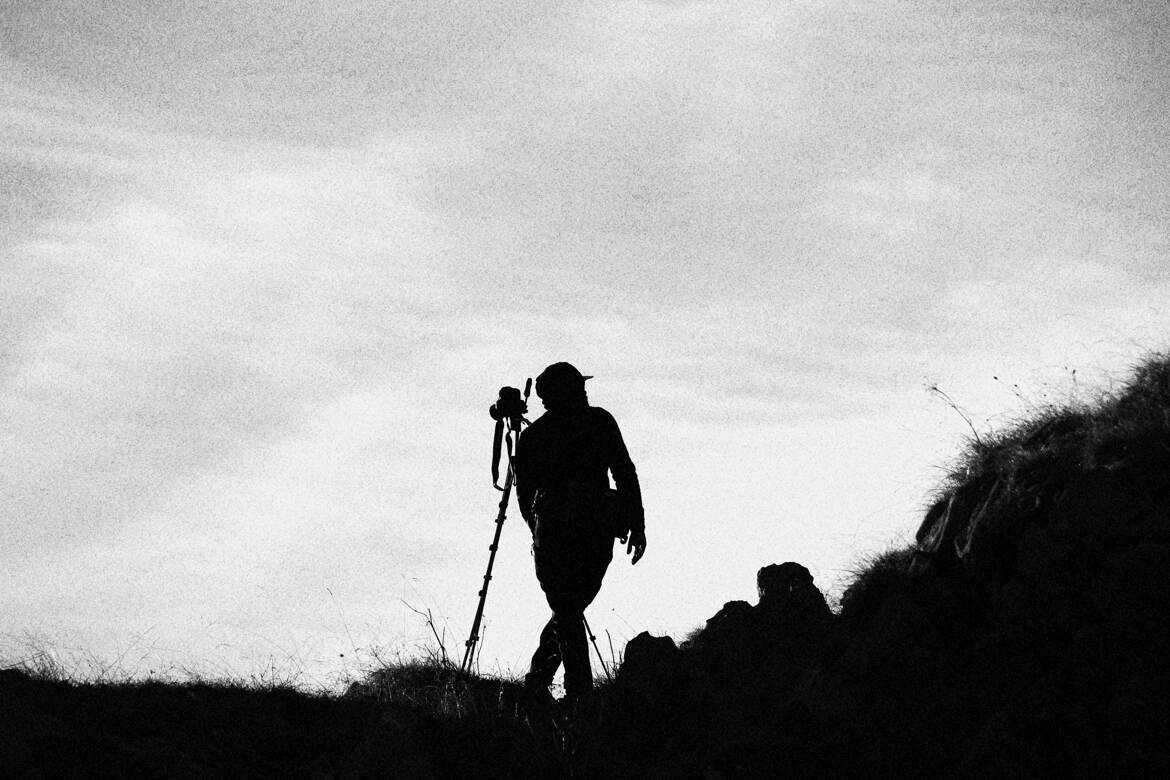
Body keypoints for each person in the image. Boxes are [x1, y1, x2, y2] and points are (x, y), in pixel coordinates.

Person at [515, 362, 646, 706]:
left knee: (567, 609)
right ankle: (579, 695)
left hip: (570, 533)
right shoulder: (595, 423)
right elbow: (624, 473)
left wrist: (537, 528)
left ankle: (539, 684)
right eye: (578, 389)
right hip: (582, 532)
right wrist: (636, 523)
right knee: (568, 610)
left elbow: (525, 497)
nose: (585, 394)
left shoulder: (540, 435)